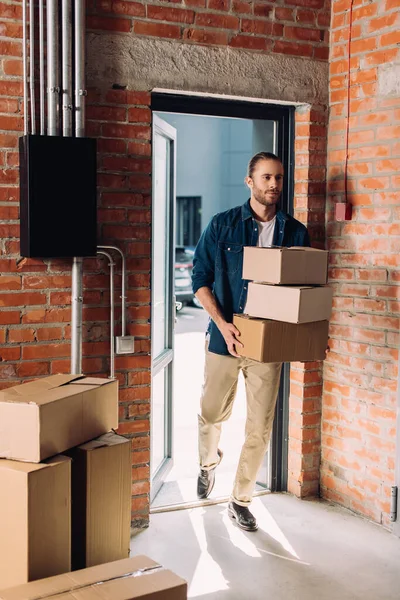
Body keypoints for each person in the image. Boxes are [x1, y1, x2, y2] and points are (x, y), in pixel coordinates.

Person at [191, 151, 310, 532]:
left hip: (267, 345)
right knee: (211, 414)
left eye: (278, 178)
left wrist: (305, 338)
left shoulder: (296, 233)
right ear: (250, 182)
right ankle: (208, 462)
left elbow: (302, 293)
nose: (274, 185)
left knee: (260, 427)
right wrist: (223, 325)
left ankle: (240, 499)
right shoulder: (222, 225)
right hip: (225, 338)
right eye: (266, 178)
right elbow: (200, 280)